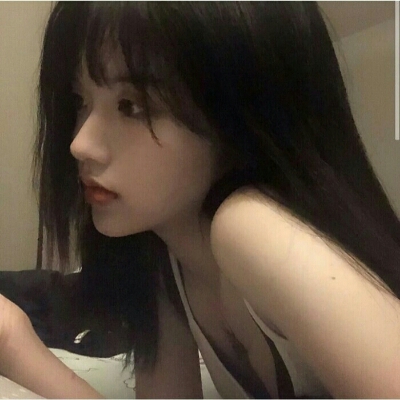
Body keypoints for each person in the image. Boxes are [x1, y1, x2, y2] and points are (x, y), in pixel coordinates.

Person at [1, 1, 399, 398]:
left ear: (237, 112)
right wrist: (13, 339)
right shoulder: (165, 259)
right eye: (79, 101)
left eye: (132, 106)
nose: (80, 144)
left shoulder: (248, 226)